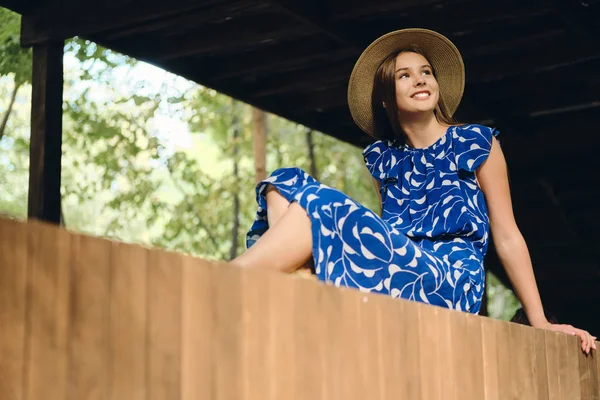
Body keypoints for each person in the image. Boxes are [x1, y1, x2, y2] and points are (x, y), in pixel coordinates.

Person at [230, 28, 596, 354]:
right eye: (404, 76)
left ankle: (231, 281)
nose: (420, 80)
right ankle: (297, 283)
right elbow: (387, 235)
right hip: (401, 266)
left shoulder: (475, 143)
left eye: (426, 72)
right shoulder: (383, 160)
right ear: (386, 99)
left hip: (451, 281)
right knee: (284, 182)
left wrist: (540, 320)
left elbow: (508, 235)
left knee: (324, 204)